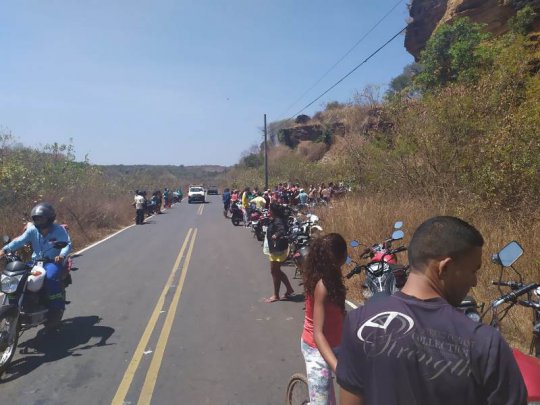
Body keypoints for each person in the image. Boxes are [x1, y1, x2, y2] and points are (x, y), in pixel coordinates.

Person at [336, 216, 528, 405]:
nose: (474, 282)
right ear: (445, 267)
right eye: (473, 271)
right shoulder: (485, 343)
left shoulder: (358, 321)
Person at [0, 202, 72, 328]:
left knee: (50, 278)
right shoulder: (33, 230)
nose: (38, 221)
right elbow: (20, 241)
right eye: (36, 219)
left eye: (41, 218)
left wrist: (61, 255)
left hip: (52, 261)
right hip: (35, 262)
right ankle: (15, 307)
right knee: (18, 277)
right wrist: (4, 250)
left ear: (49, 218)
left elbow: (67, 244)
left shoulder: (59, 230)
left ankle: (56, 308)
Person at [301, 233, 347, 405]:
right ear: (339, 257)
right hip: (316, 347)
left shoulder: (334, 276)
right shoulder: (322, 286)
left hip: (337, 342)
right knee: (322, 402)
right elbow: (318, 334)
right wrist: (337, 367)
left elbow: (340, 313)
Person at [264, 203, 294, 303]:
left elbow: (282, 230)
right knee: (276, 271)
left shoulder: (278, 220)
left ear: (273, 211)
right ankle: (289, 289)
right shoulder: (276, 219)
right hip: (276, 248)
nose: (269, 211)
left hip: (278, 249)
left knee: (274, 271)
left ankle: (276, 295)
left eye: (270, 209)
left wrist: (276, 235)